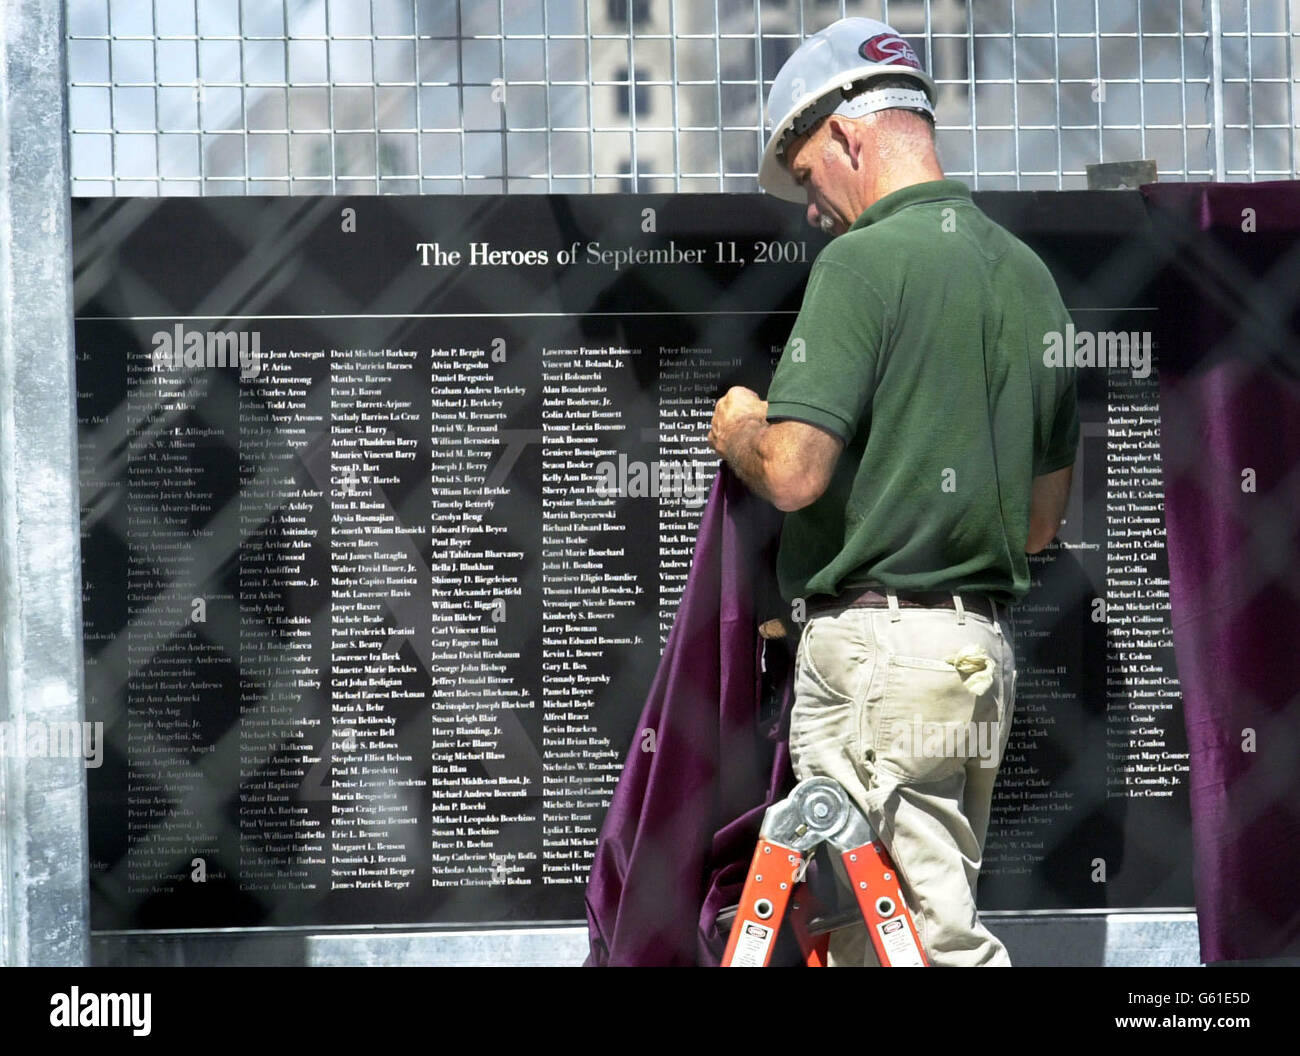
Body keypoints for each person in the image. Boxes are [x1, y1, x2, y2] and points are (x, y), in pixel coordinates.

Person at [707, 16, 1078, 966]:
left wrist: (741, 423)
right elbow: (1041, 524)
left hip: (875, 658)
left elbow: (792, 471)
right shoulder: (1028, 279)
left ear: (847, 134)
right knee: (885, 937)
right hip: (974, 656)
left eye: (803, 177)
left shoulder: (861, 263)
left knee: (931, 945)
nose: (810, 208)